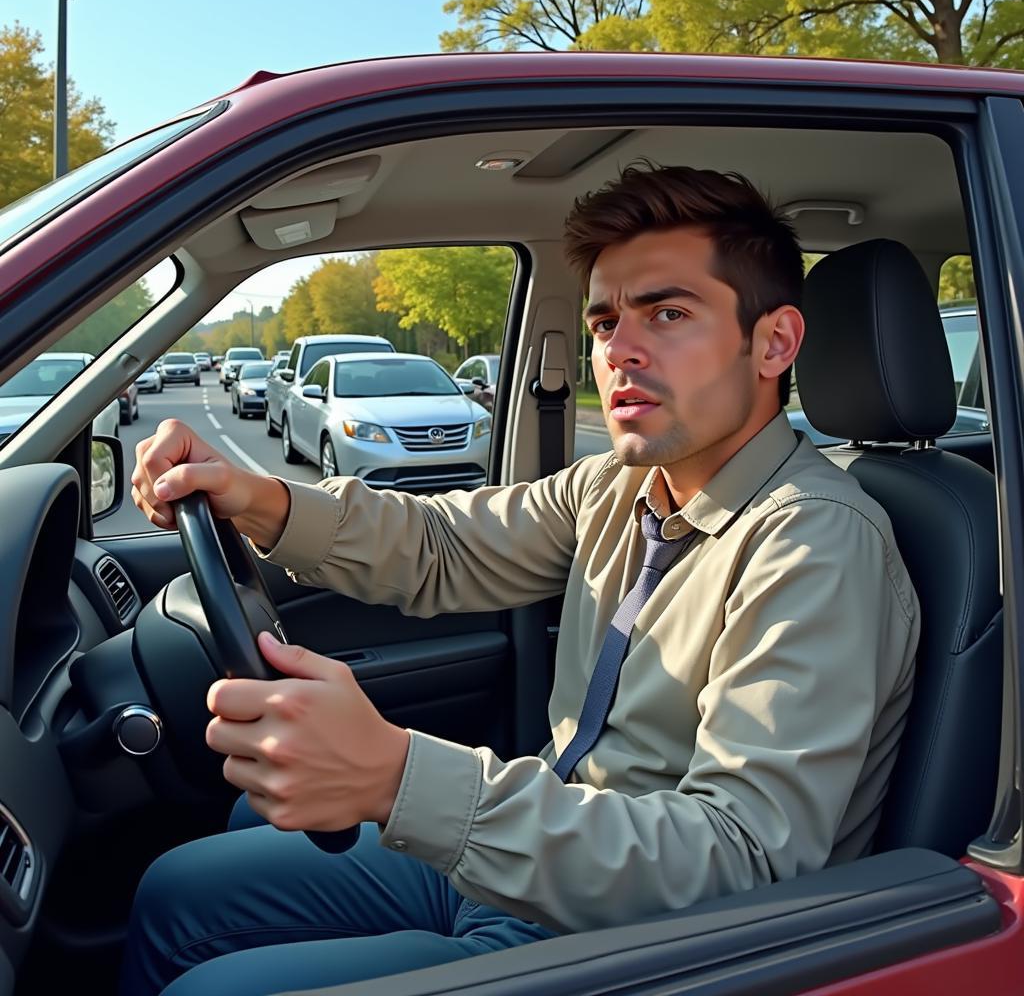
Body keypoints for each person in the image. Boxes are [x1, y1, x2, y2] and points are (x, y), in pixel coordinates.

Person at [121, 164, 919, 996]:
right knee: (174, 894)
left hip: (644, 942)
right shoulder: (620, 485)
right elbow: (445, 544)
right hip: (537, 849)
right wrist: (259, 498)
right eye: (605, 322)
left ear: (775, 343)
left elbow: (741, 855)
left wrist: (395, 777)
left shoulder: (815, 541)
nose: (619, 351)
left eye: (669, 314)